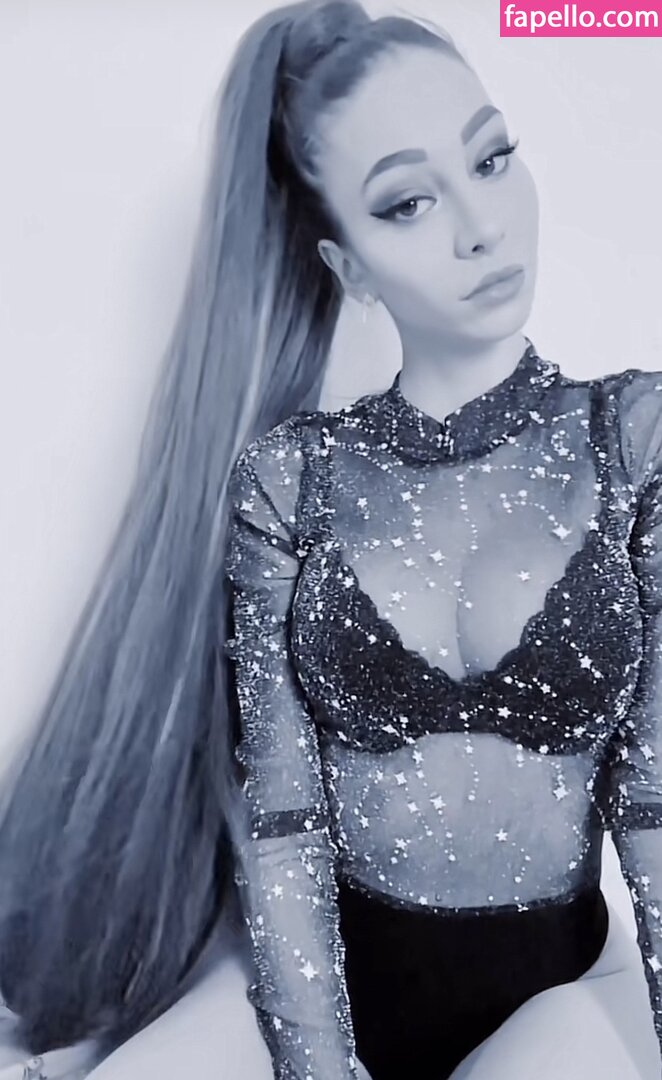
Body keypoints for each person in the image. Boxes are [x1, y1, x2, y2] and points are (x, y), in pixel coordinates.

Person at [1, 1, 662, 1078]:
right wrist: (317, 1064)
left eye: (491, 159)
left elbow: (652, 798)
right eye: (407, 202)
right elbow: (283, 817)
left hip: (565, 987)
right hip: (320, 971)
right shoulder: (293, 477)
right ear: (346, 265)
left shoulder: (631, 439)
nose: (480, 227)